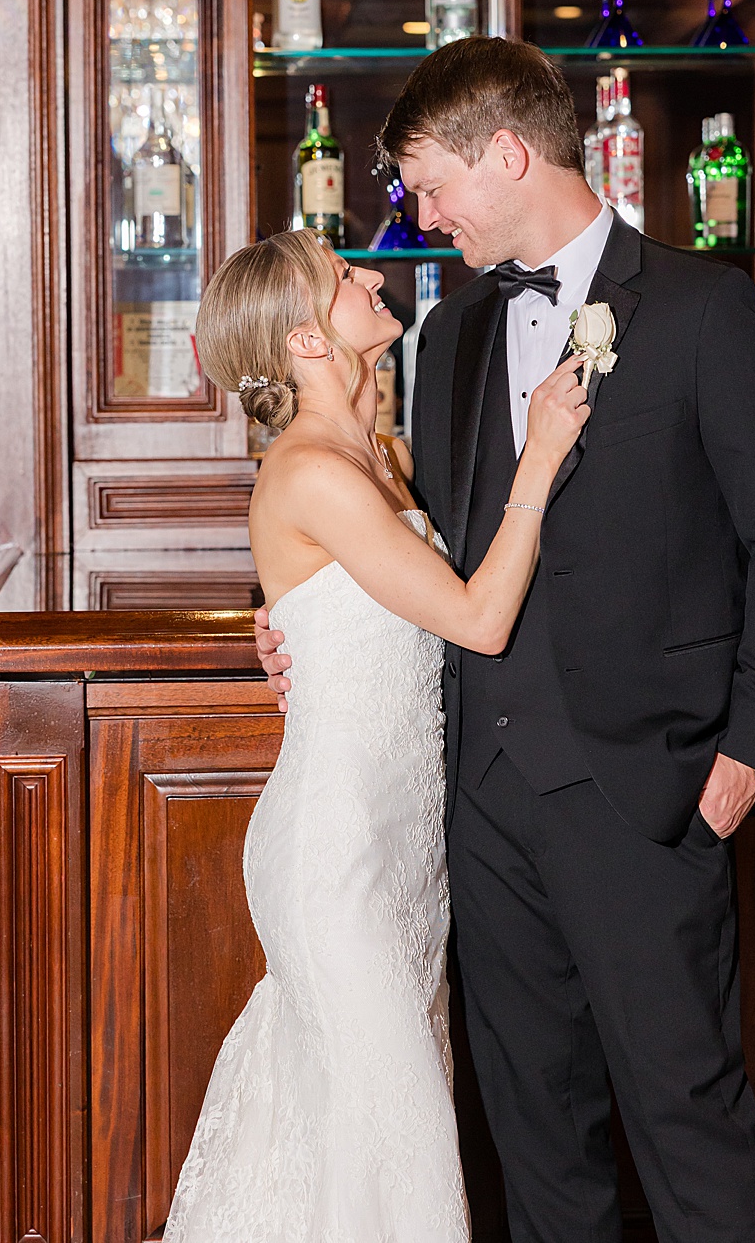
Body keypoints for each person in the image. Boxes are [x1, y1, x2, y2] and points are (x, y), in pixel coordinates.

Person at [254, 38, 755, 1243]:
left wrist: (747, 756)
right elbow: (423, 547)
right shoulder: (449, 336)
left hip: (648, 790)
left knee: (690, 1122)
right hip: (481, 802)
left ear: (506, 154)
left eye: (430, 183)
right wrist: (298, 616)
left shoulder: (704, 305)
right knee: (536, 1139)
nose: (421, 213)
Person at [171, 228, 589, 1243]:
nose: (371, 275)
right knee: (386, 1138)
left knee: (360, 1132)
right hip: (337, 848)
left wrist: (282, 631)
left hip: (409, 847)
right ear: (308, 340)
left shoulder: (386, 455)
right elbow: (479, 618)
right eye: (342, 278)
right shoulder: (312, 472)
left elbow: (367, 621)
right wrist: (541, 456)